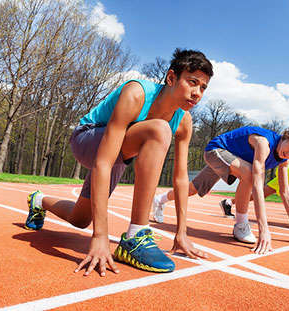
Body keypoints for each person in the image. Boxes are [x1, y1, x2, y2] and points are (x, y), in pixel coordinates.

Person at [24, 48, 213, 276]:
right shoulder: (136, 93)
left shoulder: (184, 121)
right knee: (160, 129)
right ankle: (136, 236)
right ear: (171, 78)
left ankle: (39, 200)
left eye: (203, 87)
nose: (197, 93)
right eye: (192, 82)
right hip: (89, 139)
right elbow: (103, 162)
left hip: (119, 156)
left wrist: (181, 232)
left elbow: (181, 178)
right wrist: (100, 236)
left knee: (81, 218)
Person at [152, 126, 289, 254]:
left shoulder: (283, 160)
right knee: (248, 173)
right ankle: (241, 225)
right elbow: (257, 184)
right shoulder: (264, 143)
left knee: (192, 189)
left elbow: (285, 192)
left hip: (233, 159)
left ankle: (160, 199)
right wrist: (263, 229)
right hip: (216, 150)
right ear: (288, 136)